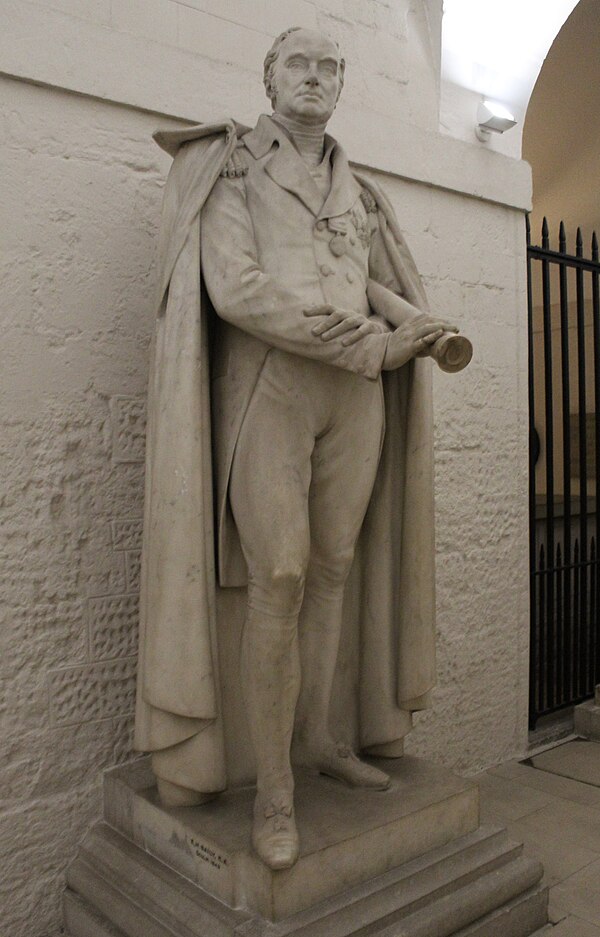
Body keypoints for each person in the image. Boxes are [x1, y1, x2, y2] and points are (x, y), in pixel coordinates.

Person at [135, 26, 457, 871]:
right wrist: (369, 345)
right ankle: (273, 787)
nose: (314, 79)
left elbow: (366, 278)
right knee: (277, 575)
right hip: (271, 388)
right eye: (298, 65)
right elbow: (236, 289)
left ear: (342, 85)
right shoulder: (230, 165)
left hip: (355, 403)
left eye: (328, 68)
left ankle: (322, 736)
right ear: (269, 77)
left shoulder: (360, 188)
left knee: (335, 568)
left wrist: (406, 320)